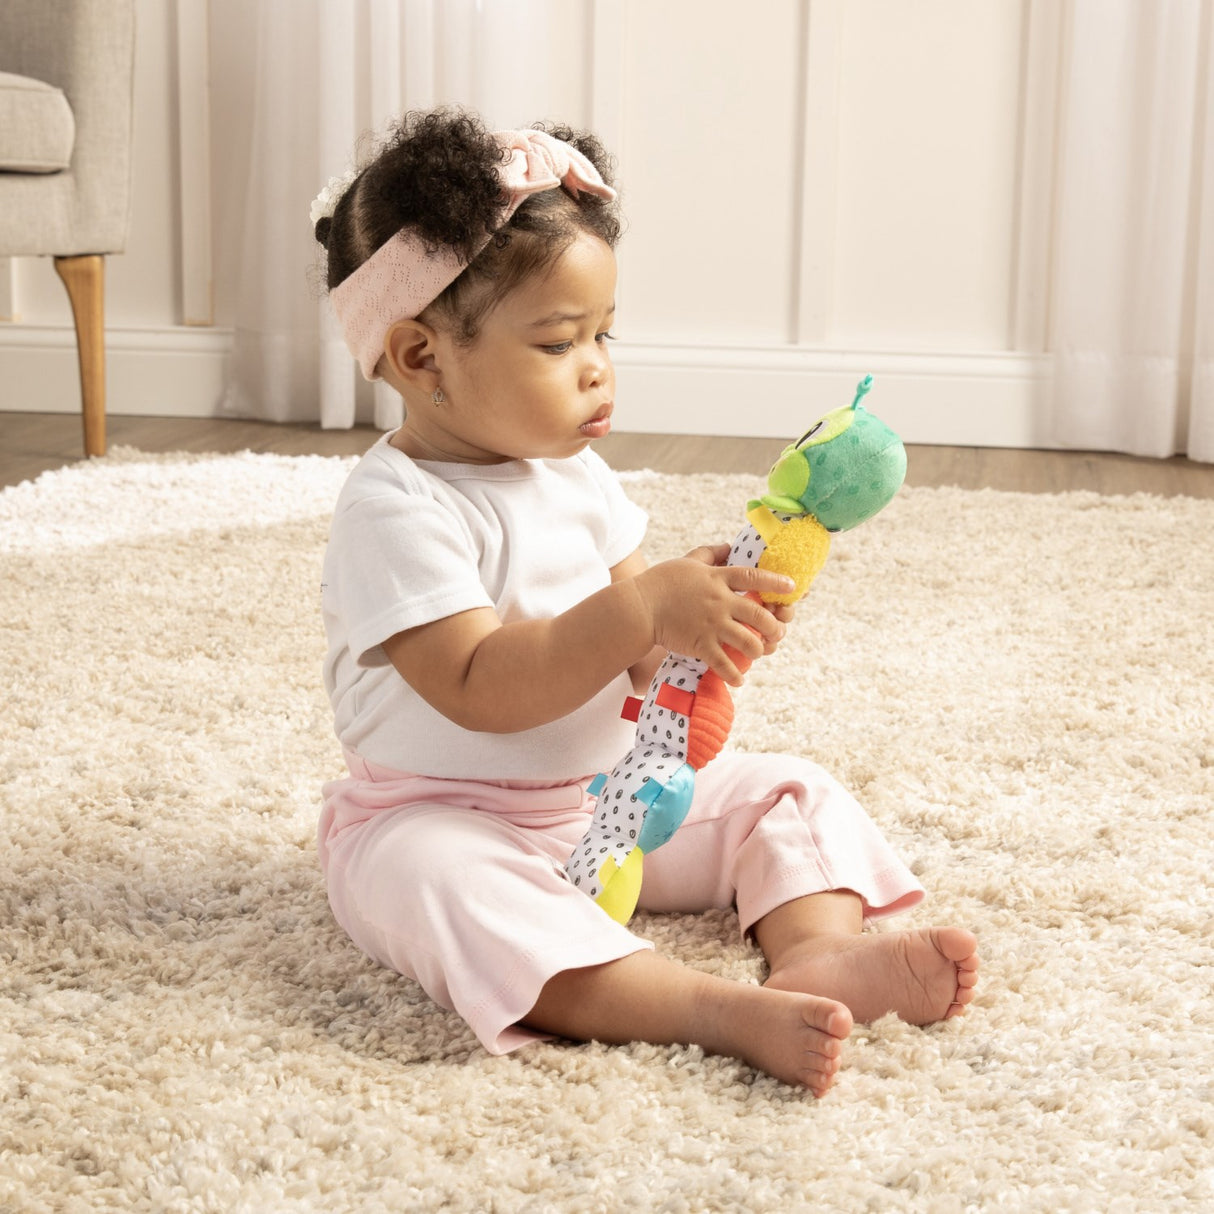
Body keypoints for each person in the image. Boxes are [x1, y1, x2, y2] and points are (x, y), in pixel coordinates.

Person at [314, 109, 978, 1096]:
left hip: (608, 797)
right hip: (442, 815)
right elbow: (478, 685)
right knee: (442, 886)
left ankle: (816, 950)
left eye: (602, 333)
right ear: (421, 358)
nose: (597, 366)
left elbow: (642, 662)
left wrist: (706, 621)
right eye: (556, 342)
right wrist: (640, 611)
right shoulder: (394, 509)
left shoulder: (577, 478)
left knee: (787, 791)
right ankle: (704, 1009)